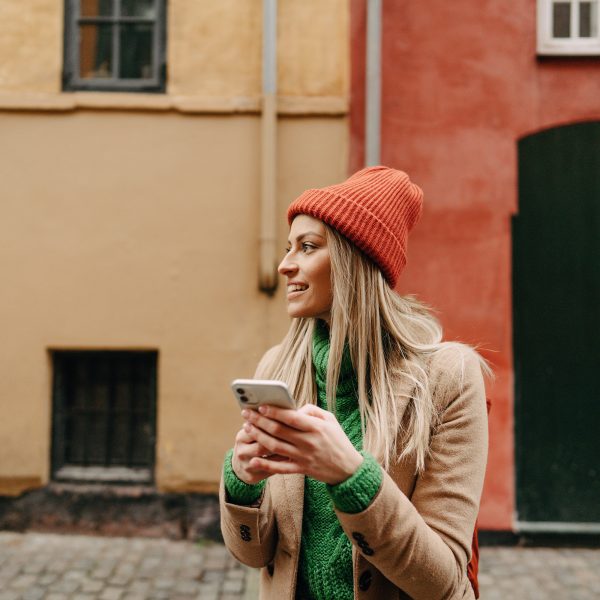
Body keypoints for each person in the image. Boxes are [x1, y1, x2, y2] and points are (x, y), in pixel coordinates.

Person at [219, 166, 489, 600]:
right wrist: (241, 482)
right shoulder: (278, 367)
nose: (285, 264)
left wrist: (351, 476)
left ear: (353, 261)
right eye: (289, 248)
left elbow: (442, 583)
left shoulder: (448, 378)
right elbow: (254, 556)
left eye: (307, 247)